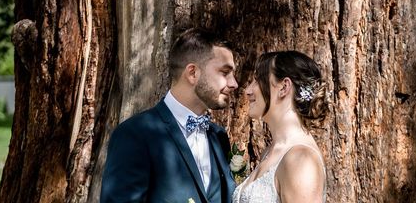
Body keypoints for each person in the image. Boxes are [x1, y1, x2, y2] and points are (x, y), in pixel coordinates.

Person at [100, 28, 239, 203]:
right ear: (192, 73)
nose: (234, 83)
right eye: (225, 72)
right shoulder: (135, 134)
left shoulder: (219, 137)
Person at [233, 51, 329, 203]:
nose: (248, 91)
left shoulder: (301, 159)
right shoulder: (271, 152)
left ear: (284, 87)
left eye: (257, 80)